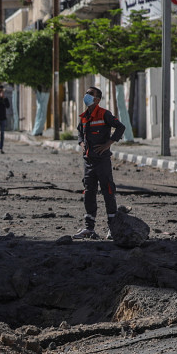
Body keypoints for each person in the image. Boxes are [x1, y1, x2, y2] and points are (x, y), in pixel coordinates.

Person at [73, 86, 126, 240]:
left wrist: (107, 144)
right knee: (89, 193)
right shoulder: (84, 116)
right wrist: (82, 144)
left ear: (97, 99)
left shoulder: (104, 114)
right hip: (88, 162)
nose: (87, 96)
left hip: (102, 161)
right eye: (86, 93)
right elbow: (79, 133)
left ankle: (112, 227)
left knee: (108, 191)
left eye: (90, 94)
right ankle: (89, 228)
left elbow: (120, 127)